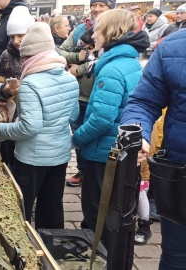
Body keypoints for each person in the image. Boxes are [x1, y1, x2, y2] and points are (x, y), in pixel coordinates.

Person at [71, 9, 149, 246]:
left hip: (103, 154)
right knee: (113, 214)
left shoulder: (112, 70)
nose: (93, 35)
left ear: (110, 32)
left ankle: (99, 255)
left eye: (97, 29)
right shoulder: (130, 62)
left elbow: (102, 119)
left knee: (96, 214)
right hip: (117, 152)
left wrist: (77, 138)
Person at [0, 22, 79, 229]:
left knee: (22, 206)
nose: (21, 61)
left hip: (32, 158)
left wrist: (1, 131)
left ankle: (24, 248)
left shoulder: (31, 83)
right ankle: (52, 247)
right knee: (52, 206)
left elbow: (29, 127)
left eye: (23, 56)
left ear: (31, 56)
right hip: (59, 156)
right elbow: (73, 114)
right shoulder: (70, 79)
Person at [121, 28, 186, 270]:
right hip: (180, 178)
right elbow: (144, 101)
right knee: (176, 257)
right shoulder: (173, 47)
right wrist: (136, 133)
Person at [59, 0, 114, 187]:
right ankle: (83, 170)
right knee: (78, 131)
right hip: (78, 93)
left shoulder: (113, 31)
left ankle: (95, 173)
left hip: (100, 94)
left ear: (110, 8)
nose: (96, 9)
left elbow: (103, 60)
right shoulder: (81, 29)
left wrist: (79, 68)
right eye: (94, 4)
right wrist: (77, 57)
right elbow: (61, 51)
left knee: (97, 133)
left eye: (102, 5)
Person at [0, 6, 34, 166]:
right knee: (10, 159)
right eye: (12, 36)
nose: (16, 40)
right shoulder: (6, 55)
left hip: (32, 119)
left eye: (20, 35)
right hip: (11, 118)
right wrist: (4, 90)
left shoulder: (40, 54)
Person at [0, 0, 27, 111]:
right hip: (0, 89)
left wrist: (4, 95)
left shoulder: (17, 18)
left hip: (11, 97)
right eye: (12, 37)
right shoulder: (5, 17)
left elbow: (15, 59)